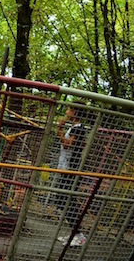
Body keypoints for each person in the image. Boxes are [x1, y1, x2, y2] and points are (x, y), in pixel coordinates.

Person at [55, 102, 89, 247]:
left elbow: (68, 144)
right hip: (67, 168)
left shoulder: (79, 128)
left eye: (69, 109)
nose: (67, 111)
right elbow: (80, 144)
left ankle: (79, 235)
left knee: (64, 200)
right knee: (63, 199)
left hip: (70, 170)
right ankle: (76, 233)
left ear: (74, 112)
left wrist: (59, 129)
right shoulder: (75, 128)